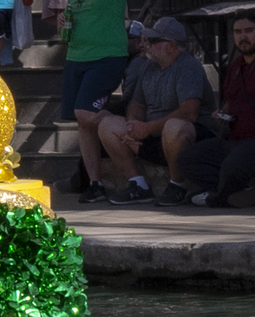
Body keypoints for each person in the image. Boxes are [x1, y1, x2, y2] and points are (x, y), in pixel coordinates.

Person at [180, 9, 255, 206]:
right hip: (236, 138)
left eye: (249, 30)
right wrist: (223, 113)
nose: (243, 37)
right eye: (238, 32)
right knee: (188, 158)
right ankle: (239, 191)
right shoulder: (236, 65)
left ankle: (219, 199)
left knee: (233, 166)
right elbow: (232, 99)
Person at [80, 13, 209, 201]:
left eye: (154, 40)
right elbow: (136, 104)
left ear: (172, 46)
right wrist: (133, 125)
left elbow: (189, 113)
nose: (146, 43)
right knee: (108, 124)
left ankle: (177, 186)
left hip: (187, 140)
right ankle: (138, 184)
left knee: (174, 126)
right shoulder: (148, 67)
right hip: (152, 137)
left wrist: (148, 127)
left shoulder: (188, 67)